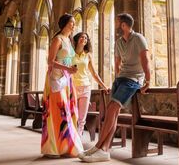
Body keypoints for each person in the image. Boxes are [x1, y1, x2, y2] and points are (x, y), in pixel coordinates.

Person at [79, 13, 151, 163]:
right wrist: (117, 79)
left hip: (132, 80)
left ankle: (98, 147)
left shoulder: (138, 38)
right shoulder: (118, 42)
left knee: (112, 109)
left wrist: (148, 81)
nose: (115, 25)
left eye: (117, 22)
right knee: (113, 113)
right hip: (120, 80)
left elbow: (145, 60)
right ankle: (103, 150)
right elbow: (117, 64)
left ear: (123, 25)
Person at [41, 14, 83, 158]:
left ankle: (67, 147)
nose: (74, 25)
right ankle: (53, 148)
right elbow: (50, 61)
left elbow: (66, 59)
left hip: (67, 80)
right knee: (59, 111)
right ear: (64, 24)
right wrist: (68, 69)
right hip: (56, 79)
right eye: (71, 22)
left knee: (69, 112)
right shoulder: (57, 39)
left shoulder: (68, 40)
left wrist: (72, 69)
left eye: (74, 23)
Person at [72, 32, 109, 137]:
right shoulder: (70, 54)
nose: (84, 39)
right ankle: (70, 140)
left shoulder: (88, 55)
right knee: (72, 115)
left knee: (81, 118)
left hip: (85, 87)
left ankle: (77, 142)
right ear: (77, 39)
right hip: (73, 87)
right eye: (81, 37)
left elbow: (94, 73)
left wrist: (104, 86)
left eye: (86, 38)